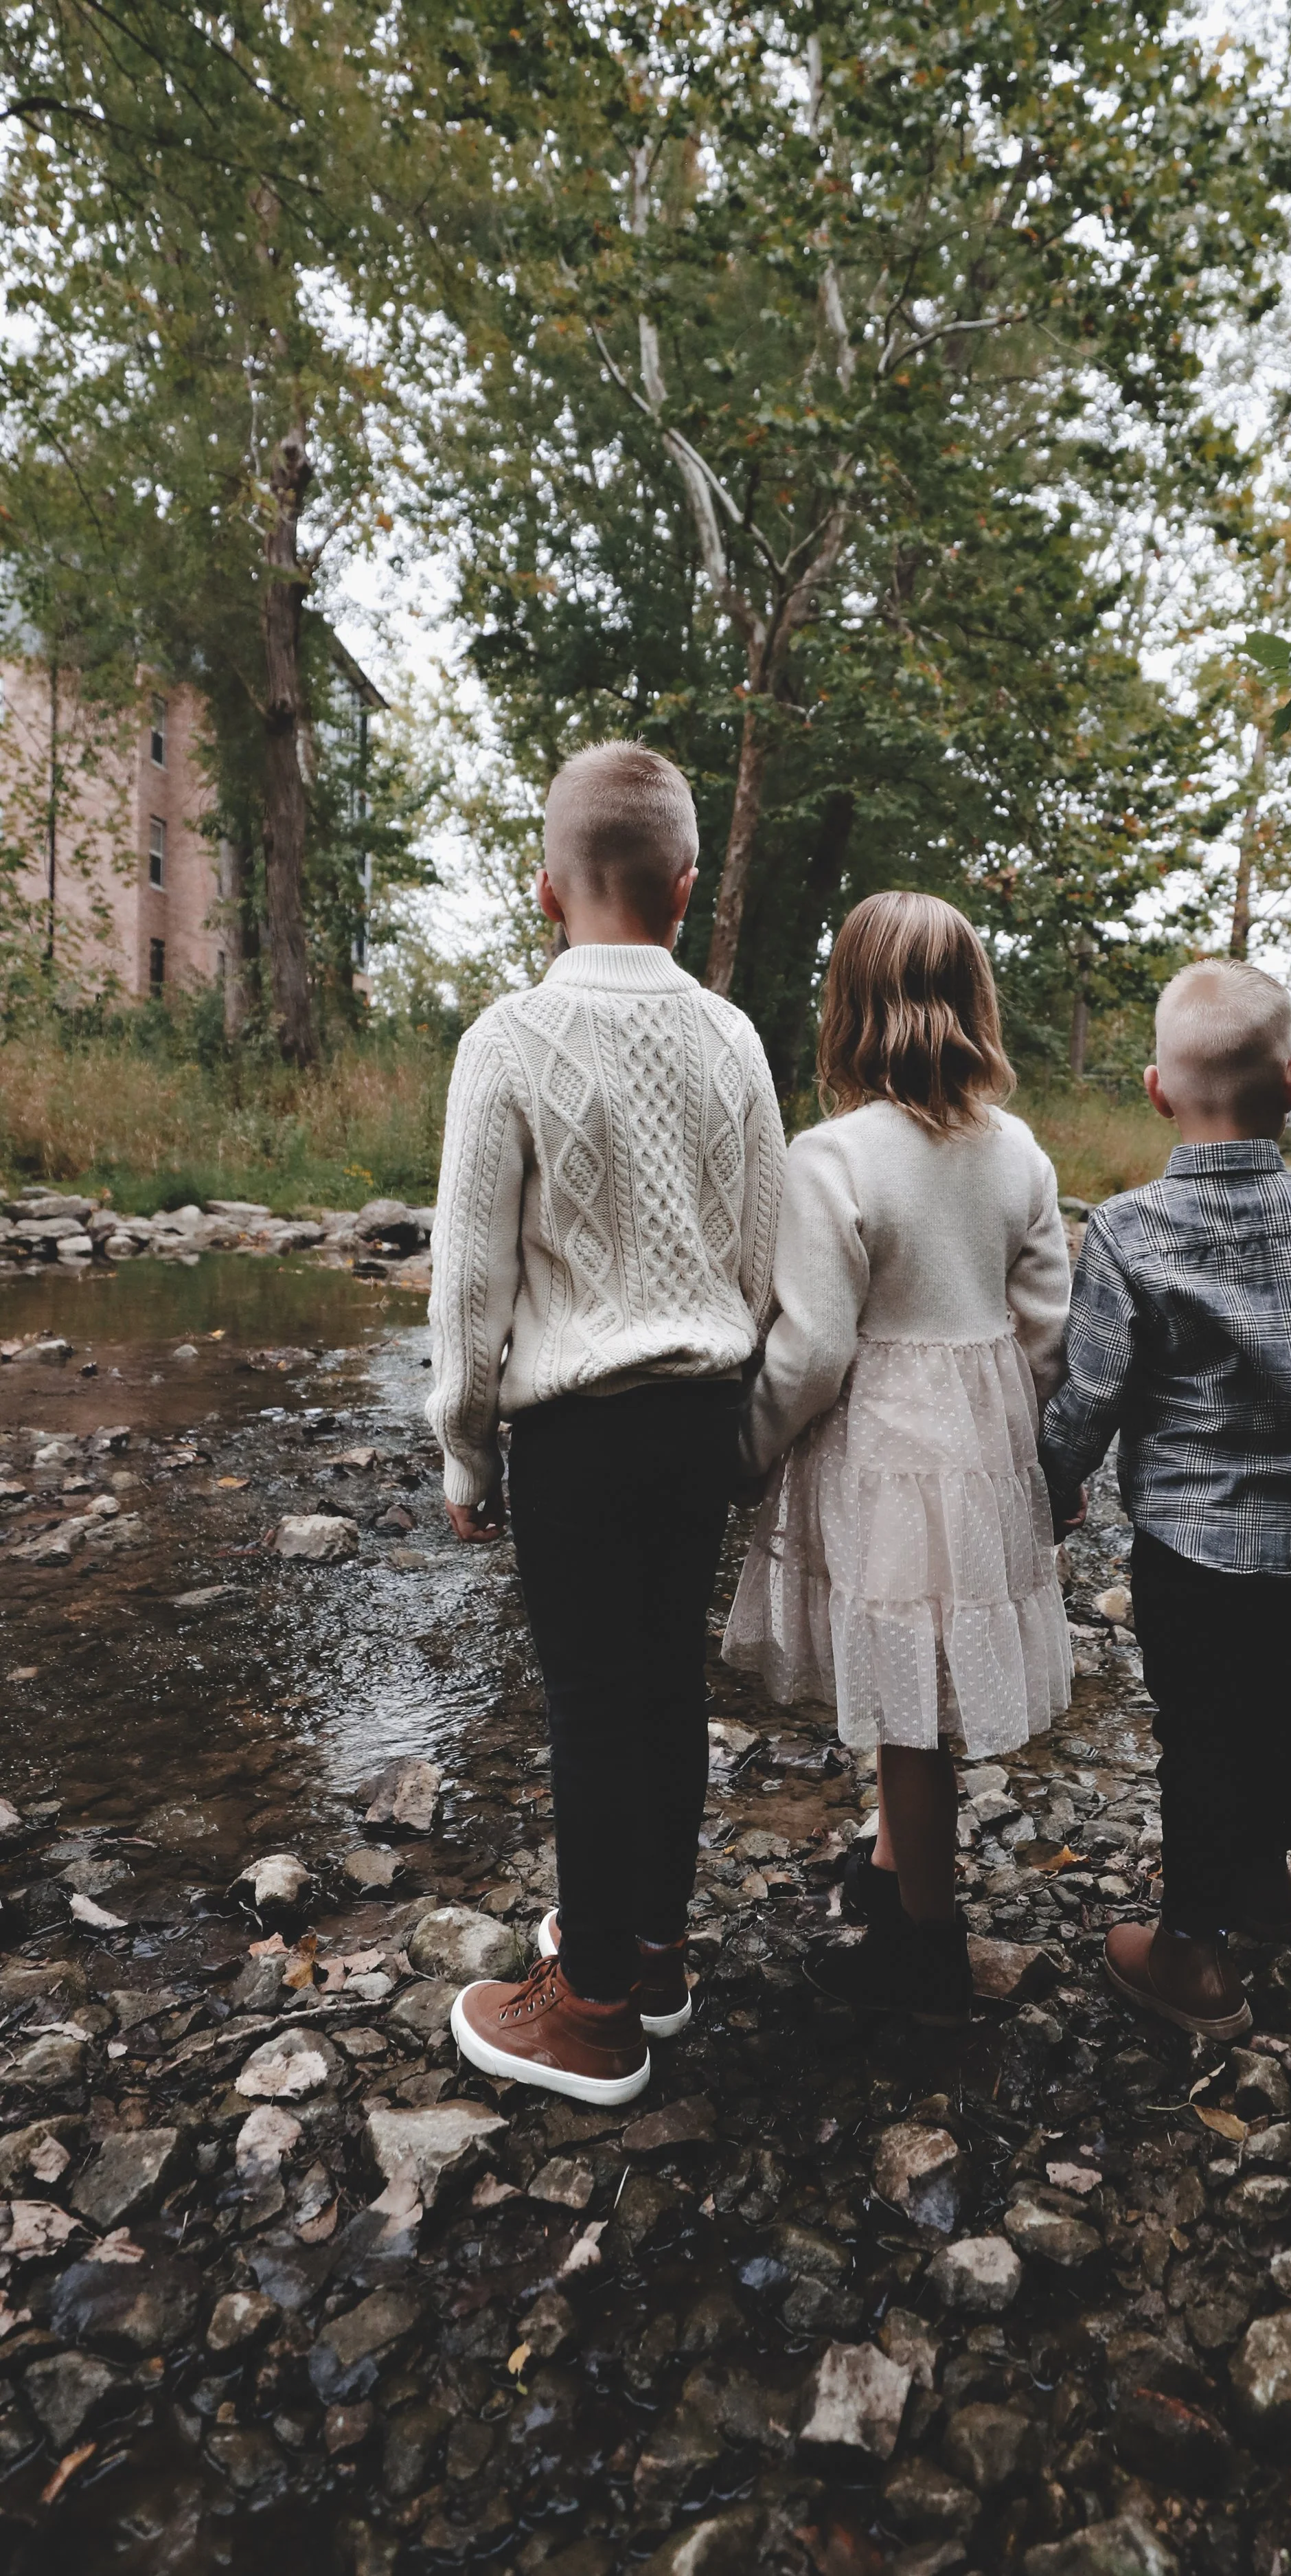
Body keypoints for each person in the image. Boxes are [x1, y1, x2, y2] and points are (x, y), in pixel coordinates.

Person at [426, 741, 786, 2105]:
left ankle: (585, 2016)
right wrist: (736, 1400)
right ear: (684, 889)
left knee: (589, 1707)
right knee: (663, 1690)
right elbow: (758, 1259)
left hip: (573, 1431)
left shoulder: (509, 1038)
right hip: (698, 1414)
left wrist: (463, 1442)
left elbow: (471, 1279)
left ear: (543, 893)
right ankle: (652, 1950)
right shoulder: (733, 1037)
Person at [1038, 957, 1291, 2042]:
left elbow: (1090, 1393)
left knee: (1196, 1728)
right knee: (1265, 1703)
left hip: (1187, 1542)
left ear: (1156, 1090)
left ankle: (1192, 1951)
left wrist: (1050, 1492)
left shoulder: (1128, 1230)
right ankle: (1263, 1883)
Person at [724, 890, 1072, 2022]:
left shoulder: (830, 1158)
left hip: (880, 1450)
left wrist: (747, 1452)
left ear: (847, 1008)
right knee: (929, 1670)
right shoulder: (1018, 1150)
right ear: (976, 1005)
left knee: (909, 1706)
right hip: (978, 1453)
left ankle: (927, 1945)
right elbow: (1050, 1331)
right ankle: (889, 1867)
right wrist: (1009, 1436)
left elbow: (814, 1348)